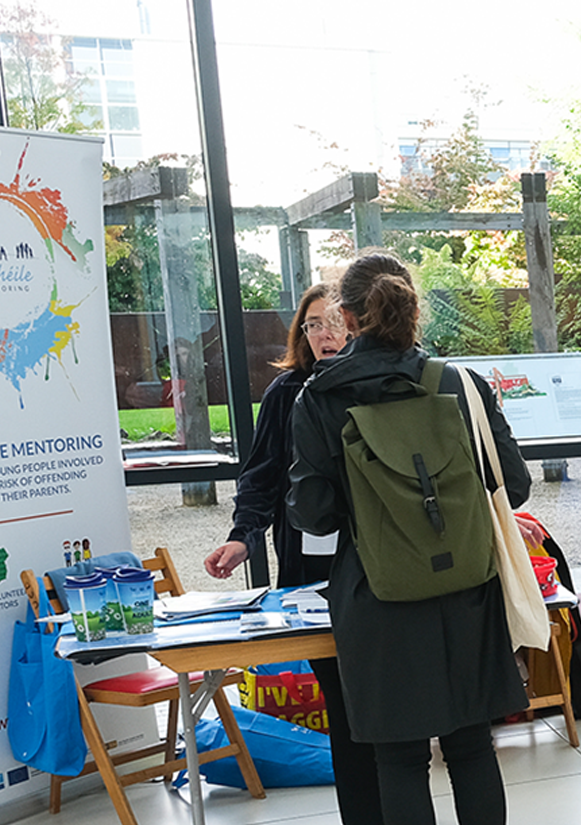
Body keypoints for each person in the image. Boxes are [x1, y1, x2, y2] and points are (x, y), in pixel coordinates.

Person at [288, 253, 530, 825]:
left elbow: (314, 515)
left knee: (398, 760)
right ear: (412, 307)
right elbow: (513, 486)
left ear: (345, 316)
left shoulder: (319, 397)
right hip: (467, 587)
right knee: (472, 747)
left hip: (378, 597)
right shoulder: (459, 384)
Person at [201, 283, 380, 823]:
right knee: (341, 703)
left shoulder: (375, 383)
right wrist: (242, 535)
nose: (326, 334)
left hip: (377, 562)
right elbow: (263, 474)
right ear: (301, 334)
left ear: (356, 324)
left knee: (375, 698)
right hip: (309, 570)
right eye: (313, 325)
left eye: (335, 322)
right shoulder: (286, 393)